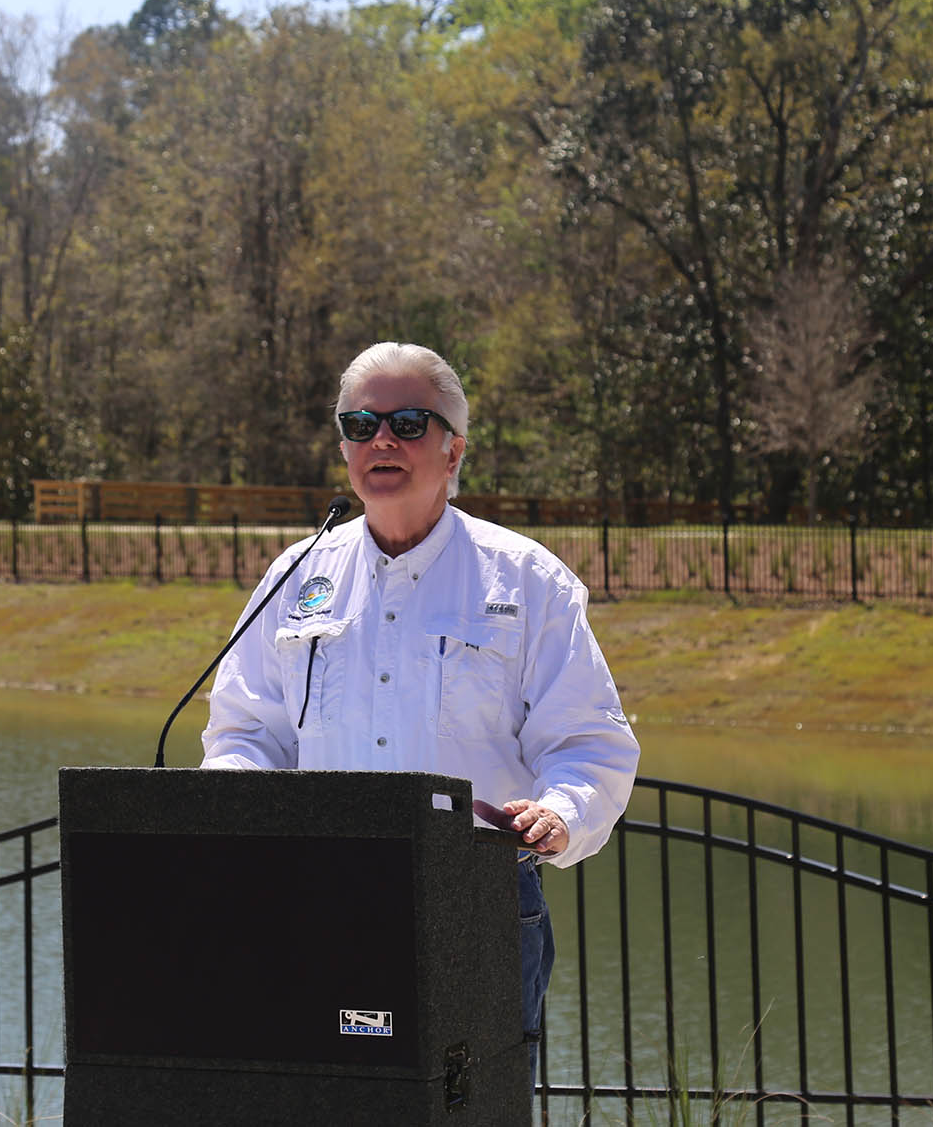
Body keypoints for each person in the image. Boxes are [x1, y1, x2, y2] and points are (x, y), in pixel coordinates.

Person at [201, 341, 640, 1044]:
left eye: (407, 423)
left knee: (472, 1097)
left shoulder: (526, 579)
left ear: (453, 449)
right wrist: (232, 811)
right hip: (316, 897)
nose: (381, 439)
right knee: (328, 1091)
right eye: (360, 424)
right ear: (344, 447)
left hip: (478, 902)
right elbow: (248, 733)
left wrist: (561, 812)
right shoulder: (297, 576)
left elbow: (588, 741)